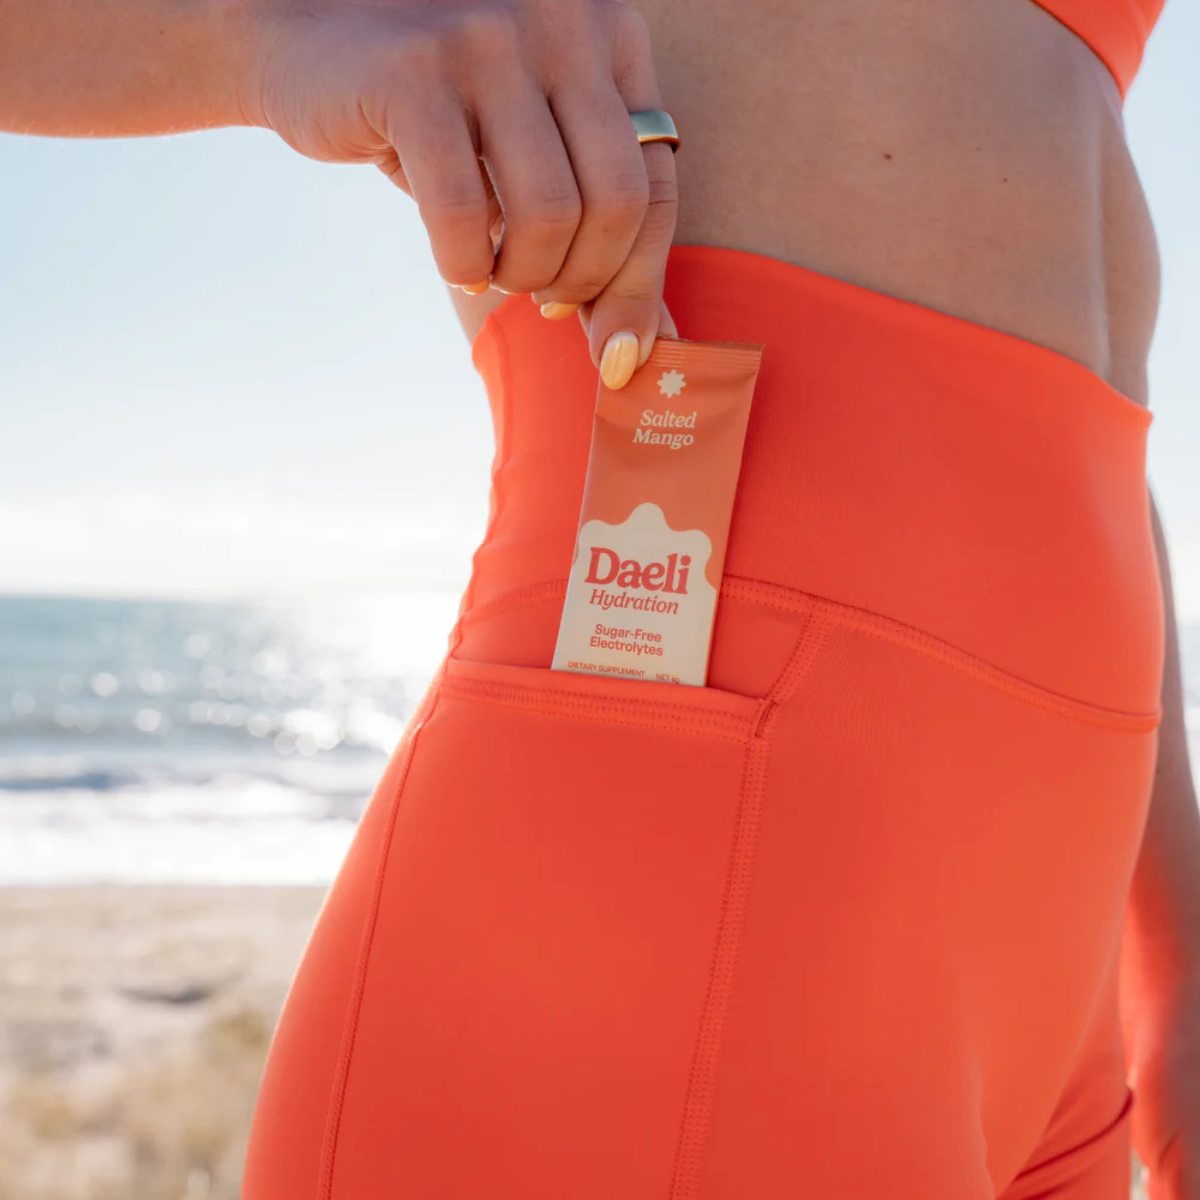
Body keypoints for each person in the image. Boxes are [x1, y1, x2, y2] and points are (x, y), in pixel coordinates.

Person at [4, 0, 1197, 1196]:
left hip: (1066, 964)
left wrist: (1177, 956)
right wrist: (269, 37)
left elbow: (1076, 447)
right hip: (690, 882)